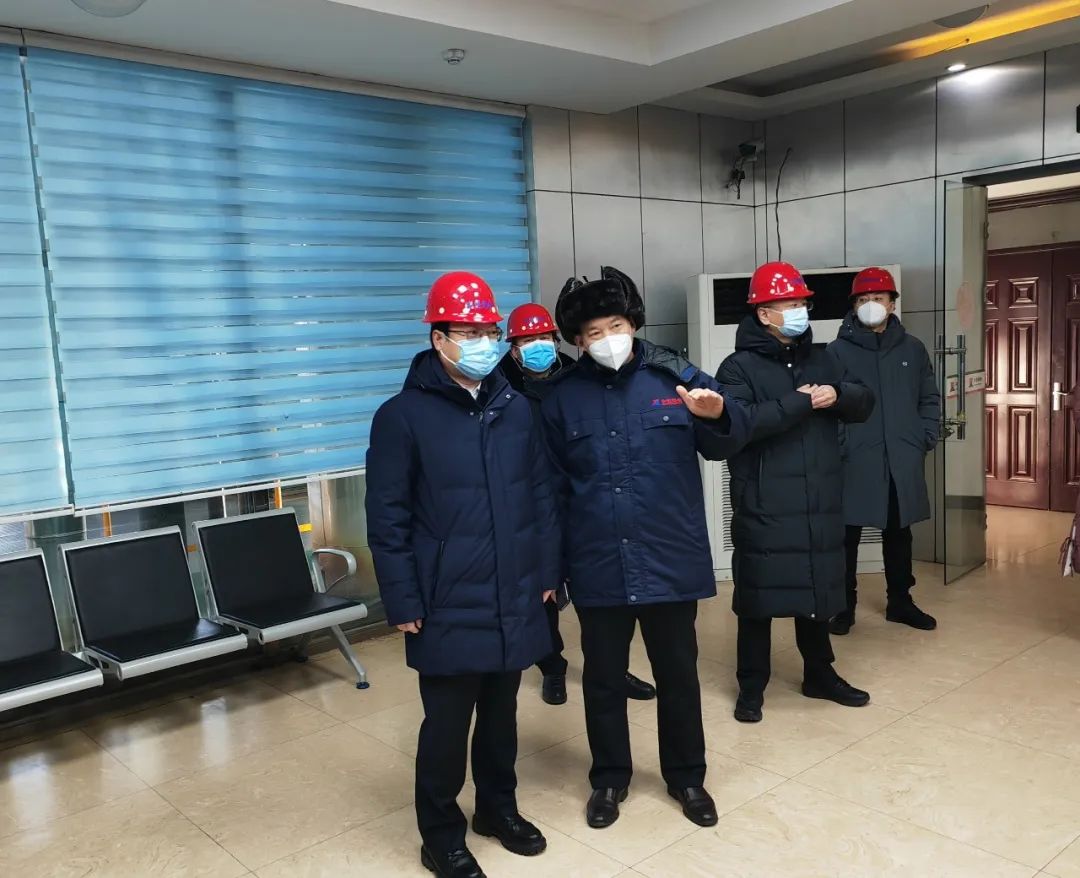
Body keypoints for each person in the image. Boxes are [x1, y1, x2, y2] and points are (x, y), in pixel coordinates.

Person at [541, 266, 751, 830]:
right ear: (577, 341)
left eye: (615, 325)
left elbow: (730, 437)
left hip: (668, 557)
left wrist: (719, 414)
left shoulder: (675, 376)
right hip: (597, 561)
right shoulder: (561, 399)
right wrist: (552, 569)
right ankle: (609, 777)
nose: (606, 338)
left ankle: (687, 777)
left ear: (633, 323)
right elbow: (550, 490)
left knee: (678, 674)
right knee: (603, 679)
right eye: (592, 332)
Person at [366, 272, 559, 878]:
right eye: (468, 332)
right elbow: (387, 517)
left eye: (489, 332)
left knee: (502, 718)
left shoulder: (516, 409)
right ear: (438, 337)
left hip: (515, 590)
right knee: (446, 728)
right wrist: (402, 598)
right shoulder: (401, 417)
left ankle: (498, 810)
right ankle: (441, 836)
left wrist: (547, 570)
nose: (482, 343)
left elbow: (541, 495)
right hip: (446, 597)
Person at [717, 261, 874, 724]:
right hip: (764, 502)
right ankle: (751, 686)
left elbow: (864, 401)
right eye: (789, 304)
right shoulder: (737, 367)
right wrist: (799, 401)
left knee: (816, 591)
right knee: (758, 599)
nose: (800, 311)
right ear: (763, 313)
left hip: (818, 498)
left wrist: (839, 394)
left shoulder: (824, 358)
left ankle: (819, 674)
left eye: (802, 303)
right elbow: (739, 425)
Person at [499, 302, 656, 708]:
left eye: (543, 337)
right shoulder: (499, 389)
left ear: (557, 341)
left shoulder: (580, 376)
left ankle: (613, 669)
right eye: (526, 340)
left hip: (584, 498)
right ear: (513, 348)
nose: (537, 345)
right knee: (545, 592)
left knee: (600, 594)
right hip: (532, 504)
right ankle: (552, 666)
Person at [827, 267, 940, 634]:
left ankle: (901, 602)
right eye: (862, 299)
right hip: (854, 459)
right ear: (853, 306)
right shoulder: (836, 352)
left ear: (892, 304)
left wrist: (925, 436)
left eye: (877, 298)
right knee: (846, 535)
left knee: (899, 531)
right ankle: (842, 607)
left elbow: (928, 398)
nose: (870, 304)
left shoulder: (912, 349)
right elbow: (828, 407)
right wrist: (842, 444)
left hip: (901, 456)